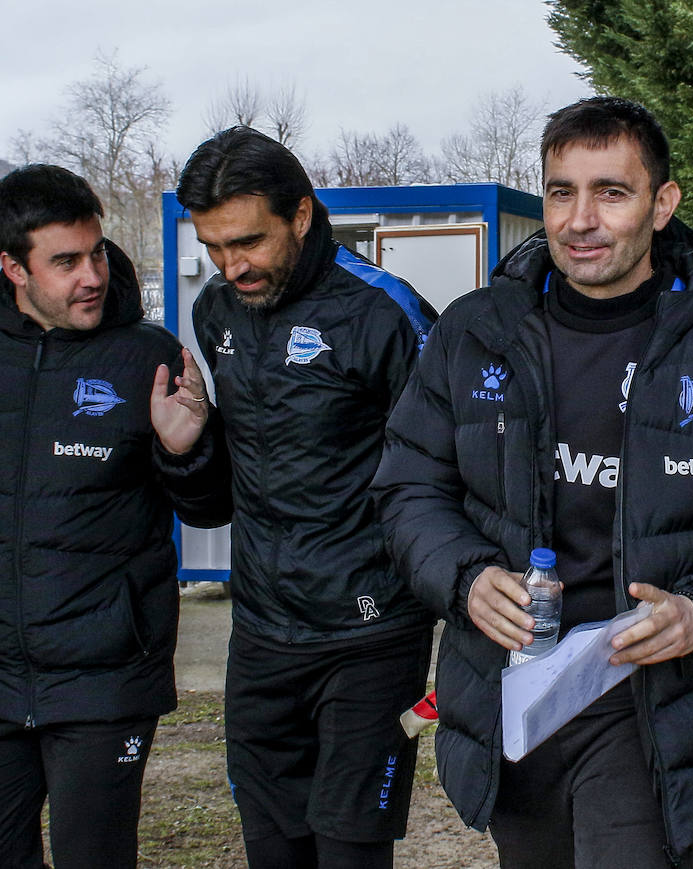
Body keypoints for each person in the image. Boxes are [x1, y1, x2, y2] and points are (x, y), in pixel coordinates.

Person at [372, 97, 693, 868]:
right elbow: (407, 490)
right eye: (562, 191)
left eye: (611, 192)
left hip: (650, 704)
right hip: (514, 697)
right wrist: (465, 578)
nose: (580, 219)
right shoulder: (473, 335)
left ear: (663, 205)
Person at [0, 164, 230, 868]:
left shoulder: (147, 359)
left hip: (107, 677)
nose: (91, 275)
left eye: (95, 252)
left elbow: (211, 505)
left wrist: (188, 449)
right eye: (65, 261)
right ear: (13, 266)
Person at [175, 126, 438, 868]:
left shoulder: (384, 312)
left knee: (348, 851)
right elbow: (223, 492)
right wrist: (187, 447)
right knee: (275, 849)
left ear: (301, 214)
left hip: (370, 632)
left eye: (249, 241)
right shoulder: (217, 314)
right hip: (260, 631)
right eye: (216, 247)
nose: (233, 266)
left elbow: (455, 470)